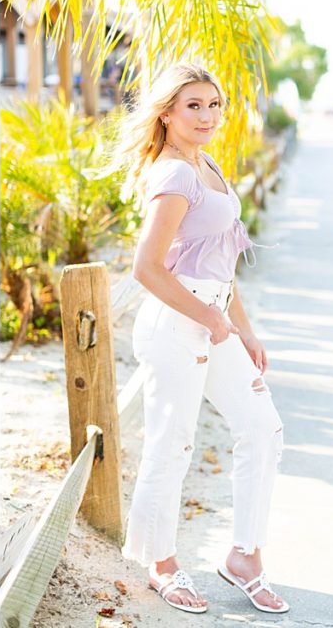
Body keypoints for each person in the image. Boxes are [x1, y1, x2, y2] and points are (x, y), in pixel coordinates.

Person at [113, 63, 289, 614]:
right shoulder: (173, 176)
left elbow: (222, 259)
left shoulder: (206, 163)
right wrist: (211, 321)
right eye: (194, 105)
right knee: (174, 440)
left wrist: (241, 326)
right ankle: (160, 564)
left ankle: (245, 557)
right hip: (175, 322)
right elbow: (147, 268)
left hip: (215, 318)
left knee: (264, 428)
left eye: (214, 104)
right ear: (166, 113)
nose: (208, 115)